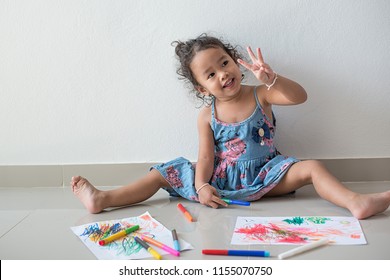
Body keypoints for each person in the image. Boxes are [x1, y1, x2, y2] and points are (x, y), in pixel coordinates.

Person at [71, 33, 390, 219]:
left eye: (224, 63)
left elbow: (300, 97)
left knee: (313, 167)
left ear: (235, 61)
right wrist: (201, 186)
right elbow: (206, 157)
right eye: (210, 74)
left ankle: (354, 202)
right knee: (161, 173)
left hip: (267, 174)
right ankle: (103, 199)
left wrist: (274, 78)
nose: (222, 74)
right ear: (202, 89)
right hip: (220, 182)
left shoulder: (261, 94)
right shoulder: (207, 115)